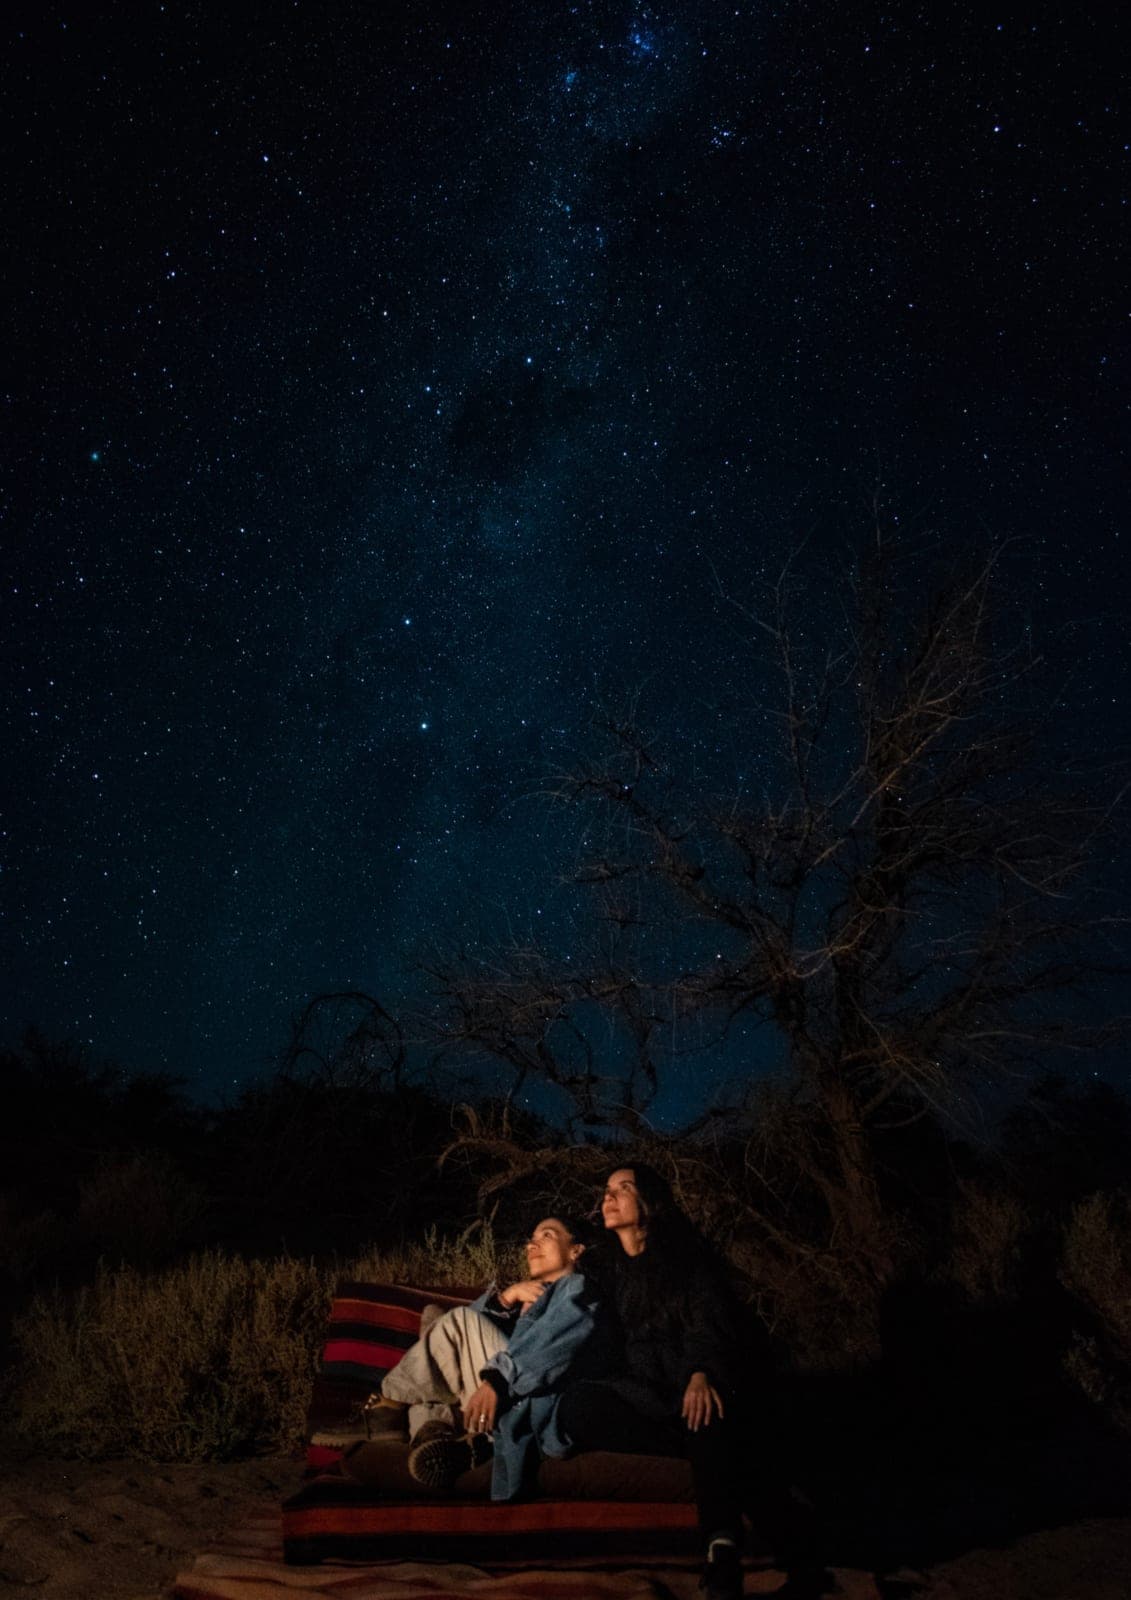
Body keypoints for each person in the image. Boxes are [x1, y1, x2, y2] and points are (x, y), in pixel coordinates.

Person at [556, 1165, 752, 1600]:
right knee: (578, 1407)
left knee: (709, 1412)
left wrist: (701, 1372)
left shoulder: (687, 1262)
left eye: (623, 1189)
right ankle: (689, 1446)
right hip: (642, 1399)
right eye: (606, 1190)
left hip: (686, 1389)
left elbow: (708, 1324)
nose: (609, 1197)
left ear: (649, 1203)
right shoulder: (607, 1270)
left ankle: (721, 1549)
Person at [365, 1213, 599, 1499]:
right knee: (437, 1327)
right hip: (498, 1395)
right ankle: (441, 1437)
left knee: (458, 1321)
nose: (531, 1245)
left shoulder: (577, 1288)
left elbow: (550, 1349)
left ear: (576, 1250)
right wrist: (507, 1298)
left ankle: (390, 1405)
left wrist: (496, 1381)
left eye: (547, 1236)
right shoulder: (525, 1298)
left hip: (525, 1398)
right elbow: (454, 1342)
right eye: (531, 1240)